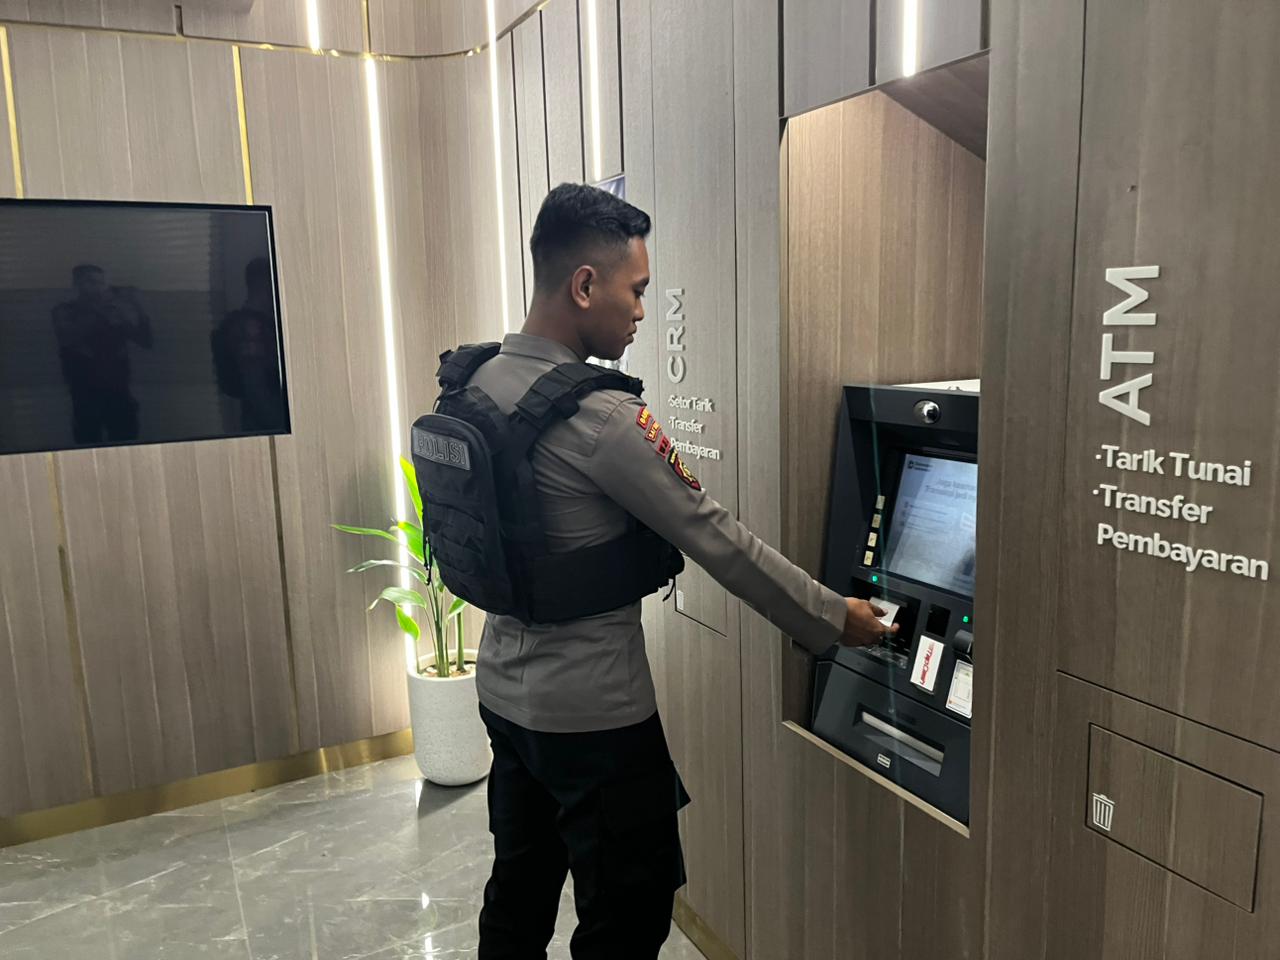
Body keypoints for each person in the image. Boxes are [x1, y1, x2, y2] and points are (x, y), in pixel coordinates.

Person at [446, 184, 895, 959]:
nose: (642, 312)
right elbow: (717, 539)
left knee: (518, 892)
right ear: (584, 284)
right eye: (637, 290)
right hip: (594, 714)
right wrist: (833, 617)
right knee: (628, 913)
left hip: (504, 696)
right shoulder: (599, 418)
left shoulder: (474, 381)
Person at [51, 264, 152, 444]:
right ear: (77, 284)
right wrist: (101, 310)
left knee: (126, 445)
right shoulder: (65, 311)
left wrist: (138, 306)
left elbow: (145, 341)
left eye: (101, 283)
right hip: (85, 397)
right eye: (91, 282)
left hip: (119, 394)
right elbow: (67, 338)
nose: (98, 287)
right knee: (87, 445)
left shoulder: (113, 312)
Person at [211, 257, 284, 432]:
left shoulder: (250, 325)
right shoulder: (250, 330)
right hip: (266, 425)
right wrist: (280, 426)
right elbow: (257, 390)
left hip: (259, 421)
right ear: (265, 285)